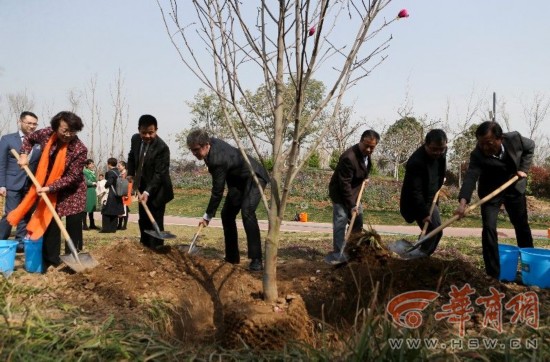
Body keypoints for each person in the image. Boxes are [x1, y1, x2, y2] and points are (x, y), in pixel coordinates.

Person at [454, 121, 535, 279]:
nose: (484, 147)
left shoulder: (515, 138)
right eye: (481, 143)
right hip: (491, 191)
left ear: (500, 138)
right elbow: (471, 177)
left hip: (514, 187)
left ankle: (529, 269)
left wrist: (523, 169)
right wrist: (463, 203)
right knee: (489, 228)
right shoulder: (477, 154)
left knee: (521, 225)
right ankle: (492, 274)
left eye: (488, 143)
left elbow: (530, 146)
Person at [8, 111, 87, 271]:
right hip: (48, 186)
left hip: (72, 191)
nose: (68, 135)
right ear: (56, 126)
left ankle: (73, 262)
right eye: (64, 130)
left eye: (72, 131)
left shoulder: (79, 149)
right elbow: (29, 139)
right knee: (50, 224)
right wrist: (23, 154)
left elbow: (72, 176)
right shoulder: (46, 133)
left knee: (73, 225)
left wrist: (50, 187)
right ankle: (51, 262)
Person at [186, 129, 270, 272]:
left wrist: (207, 216)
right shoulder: (209, 145)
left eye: (196, 150)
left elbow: (217, 192)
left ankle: (256, 260)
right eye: (192, 151)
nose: (195, 154)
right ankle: (232, 257)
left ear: (206, 144)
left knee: (247, 211)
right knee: (227, 214)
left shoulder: (217, 159)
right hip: (238, 181)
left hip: (254, 177)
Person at [325, 130, 380, 265]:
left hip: (354, 192)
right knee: (341, 221)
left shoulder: (366, 154)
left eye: (372, 147)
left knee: (357, 222)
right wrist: (352, 205)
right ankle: (339, 252)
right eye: (366, 145)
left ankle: (352, 249)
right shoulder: (348, 157)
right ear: (360, 141)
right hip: (340, 193)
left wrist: (365, 178)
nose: (368, 149)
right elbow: (344, 184)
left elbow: (364, 167)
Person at [127, 115, 173, 250]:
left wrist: (148, 191)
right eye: (144, 132)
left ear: (156, 130)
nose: (147, 136)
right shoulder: (135, 139)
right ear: (139, 130)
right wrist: (130, 173)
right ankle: (145, 247)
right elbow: (131, 156)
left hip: (158, 190)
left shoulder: (162, 148)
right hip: (142, 186)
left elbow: (160, 174)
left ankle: (157, 249)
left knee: (155, 220)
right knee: (144, 219)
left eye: (151, 132)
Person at [399, 129, 448, 258]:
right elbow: (416, 191)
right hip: (417, 201)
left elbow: (440, 166)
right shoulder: (416, 162)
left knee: (437, 231)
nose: (437, 153)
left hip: (431, 197)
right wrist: (424, 213)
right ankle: (419, 256)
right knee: (433, 230)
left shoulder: (442, 151)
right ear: (425, 144)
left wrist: (440, 179)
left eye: (441, 149)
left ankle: (424, 255)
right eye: (434, 149)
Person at [0, 111, 41, 252]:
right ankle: (1, 240)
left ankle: (20, 244)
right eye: (29, 123)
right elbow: (1, 163)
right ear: (21, 122)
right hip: (12, 183)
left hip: (30, 184)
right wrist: (2, 184)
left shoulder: (39, 142)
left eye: (35, 124)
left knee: (26, 213)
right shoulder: (7, 139)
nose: (32, 126)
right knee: (11, 213)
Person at [99, 158, 124, 233]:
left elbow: (109, 182)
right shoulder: (118, 172)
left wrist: (105, 185)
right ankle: (113, 229)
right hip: (117, 194)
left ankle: (106, 229)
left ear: (109, 164)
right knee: (114, 212)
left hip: (111, 195)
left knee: (106, 211)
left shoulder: (110, 172)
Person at [82, 159, 99, 230]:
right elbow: (85, 182)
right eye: (90, 164)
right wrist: (92, 183)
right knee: (86, 208)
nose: (92, 165)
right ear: (86, 165)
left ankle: (92, 224)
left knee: (91, 208)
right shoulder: (84, 172)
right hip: (87, 191)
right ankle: (84, 225)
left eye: (93, 163)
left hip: (92, 191)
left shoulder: (92, 172)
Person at [117, 160, 132, 230]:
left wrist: (126, 194)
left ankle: (124, 225)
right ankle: (119, 224)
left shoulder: (127, 174)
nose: (118, 167)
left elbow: (129, 184)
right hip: (120, 193)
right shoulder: (120, 174)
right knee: (120, 209)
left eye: (119, 166)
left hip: (125, 194)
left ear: (123, 166)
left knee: (125, 209)